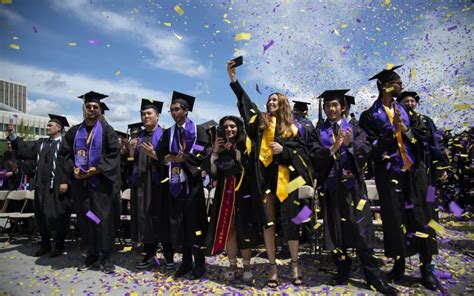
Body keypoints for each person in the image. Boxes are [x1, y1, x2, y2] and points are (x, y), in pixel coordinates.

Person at [227, 60, 314, 287]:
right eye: (269, 99)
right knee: (269, 223)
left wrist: (284, 151)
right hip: (264, 178)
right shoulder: (260, 121)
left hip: (288, 181)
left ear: (283, 103)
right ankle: (272, 268)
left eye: (275, 99)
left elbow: (304, 155)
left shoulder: (294, 128)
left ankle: (295, 264)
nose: (270, 101)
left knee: (291, 222)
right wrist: (234, 81)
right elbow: (246, 104)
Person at [308, 89, 397, 294]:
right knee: (336, 231)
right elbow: (313, 155)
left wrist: (348, 145)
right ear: (324, 108)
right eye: (327, 105)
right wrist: (333, 148)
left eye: (335, 105)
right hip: (330, 190)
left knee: (362, 230)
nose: (331, 109)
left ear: (343, 107)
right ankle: (342, 270)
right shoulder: (317, 131)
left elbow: (366, 149)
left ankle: (373, 277)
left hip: (353, 189)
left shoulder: (354, 127)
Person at [359, 66, 439, 290]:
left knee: (422, 217)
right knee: (395, 220)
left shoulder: (408, 112)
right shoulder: (369, 116)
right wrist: (388, 133)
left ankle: (426, 268)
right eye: (397, 82)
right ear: (385, 86)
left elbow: (424, 138)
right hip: (389, 175)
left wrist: (406, 130)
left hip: (414, 173)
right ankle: (399, 264)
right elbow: (370, 149)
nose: (401, 86)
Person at [59, 91, 121, 274]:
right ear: (84, 108)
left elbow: (113, 154)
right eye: (89, 106)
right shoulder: (75, 131)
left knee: (102, 220)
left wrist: (95, 169)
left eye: (95, 107)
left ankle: (106, 256)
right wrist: (73, 169)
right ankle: (91, 254)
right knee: (87, 219)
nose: (92, 109)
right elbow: (64, 154)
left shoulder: (107, 130)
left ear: (100, 110)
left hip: (100, 185)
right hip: (81, 186)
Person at [156, 91, 209, 280]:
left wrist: (183, 158)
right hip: (175, 183)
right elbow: (161, 153)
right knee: (180, 224)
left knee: (195, 224)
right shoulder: (168, 132)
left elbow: (202, 152)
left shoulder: (198, 130)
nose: (173, 112)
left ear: (186, 111)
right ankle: (186, 262)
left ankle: (200, 263)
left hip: (192, 185)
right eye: (171, 110)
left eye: (177, 109)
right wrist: (165, 158)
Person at [204, 115, 260, 282]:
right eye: (226, 126)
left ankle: (247, 265)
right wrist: (215, 151)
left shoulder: (246, 145)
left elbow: (249, 168)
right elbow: (213, 172)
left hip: (243, 193)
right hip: (224, 193)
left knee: (244, 228)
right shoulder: (218, 147)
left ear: (239, 128)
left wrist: (234, 153)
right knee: (229, 229)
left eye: (232, 126)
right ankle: (232, 264)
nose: (229, 129)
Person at [7, 115, 71, 258]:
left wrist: (65, 181)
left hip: (57, 186)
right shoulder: (41, 143)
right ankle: (45, 244)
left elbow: (69, 163)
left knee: (57, 216)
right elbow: (25, 148)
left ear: (59, 128)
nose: (47, 127)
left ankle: (59, 245)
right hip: (41, 186)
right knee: (41, 215)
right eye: (47, 125)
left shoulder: (65, 143)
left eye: (50, 125)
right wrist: (13, 136)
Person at [129, 99, 174, 270]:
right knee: (144, 217)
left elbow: (171, 160)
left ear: (157, 116)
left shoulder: (165, 134)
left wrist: (154, 154)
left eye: (149, 113)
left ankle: (168, 253)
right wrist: (132, 152)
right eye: (143, 114)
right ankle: (149, 252)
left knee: (162, 218)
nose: (145, 116)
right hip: (142, 183)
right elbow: (132, 163)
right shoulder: (138, 136)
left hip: (160, 184)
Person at [397, 91, 449, 220]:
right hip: (406, 167)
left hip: (426, 164)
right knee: (412, 199)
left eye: (412, 101)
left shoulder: (425, 120)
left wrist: (441, 166)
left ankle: (432, 226)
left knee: (430, 196)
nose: (409, 104)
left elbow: (435, 143)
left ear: (416, 104)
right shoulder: (397, 121)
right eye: (406, 101)